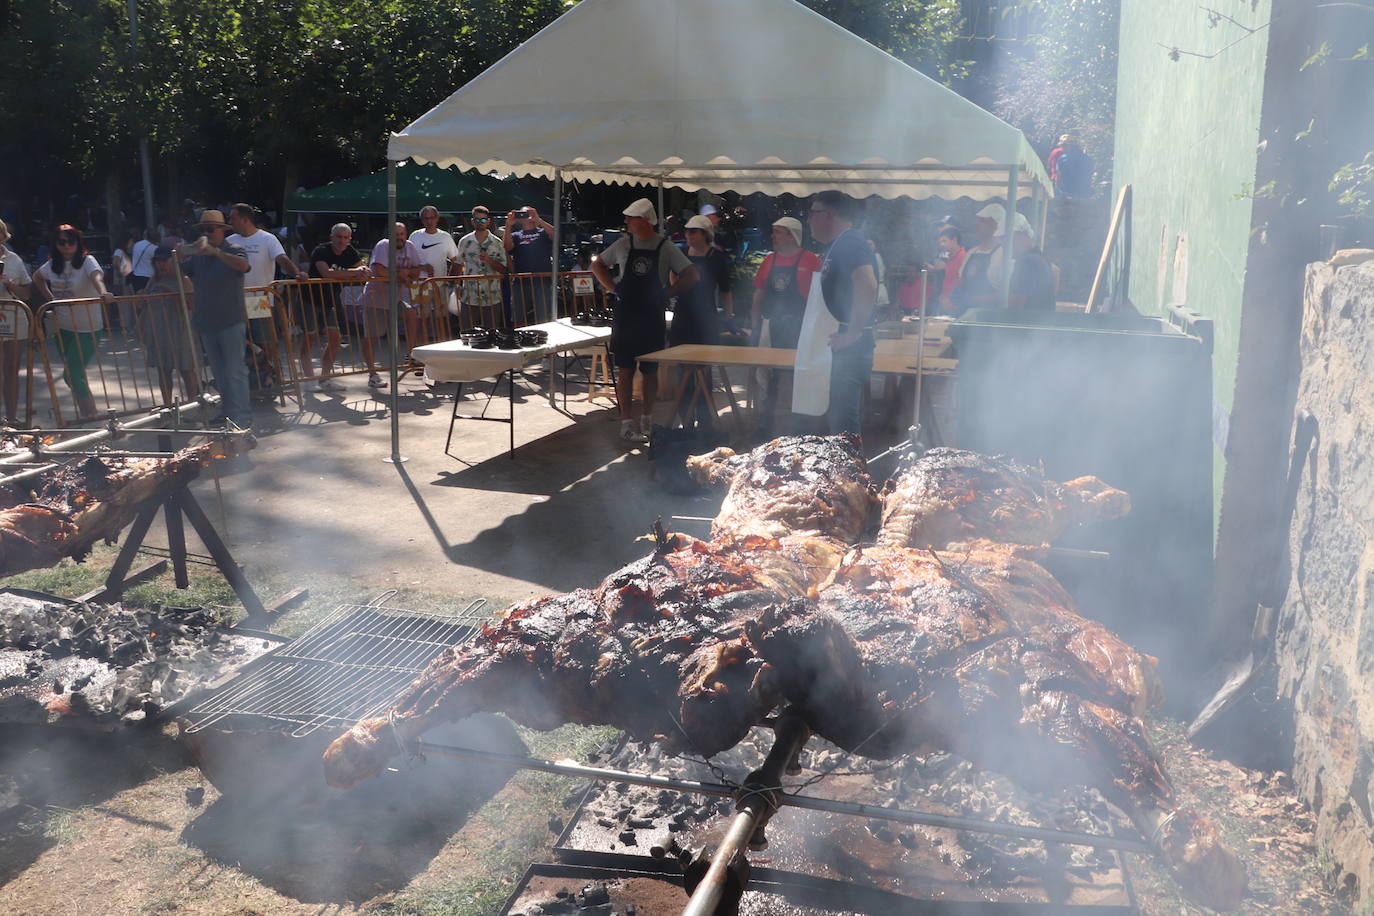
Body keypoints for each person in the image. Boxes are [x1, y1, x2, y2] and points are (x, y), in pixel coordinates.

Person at [590, 198, 698, 443]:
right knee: (625, 371)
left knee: (650, 371)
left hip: (651, 315)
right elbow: (597, 265)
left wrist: (668, 293)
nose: (626, 221)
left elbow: (692, 274)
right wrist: (613, 289)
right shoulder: (622, 244)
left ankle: (647, 420)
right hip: (626, 314)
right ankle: (626, 423)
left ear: (646, 220)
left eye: (631, 217)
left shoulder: (665, 247)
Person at [806, 191, 878, 438]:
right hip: (840, 349)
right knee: (838, 423)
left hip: (849, 351)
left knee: (843, 428)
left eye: (813, 213)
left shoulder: (850, 242)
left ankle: (852, 475)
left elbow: (867, 284)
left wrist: (853, 333)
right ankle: (847, 472)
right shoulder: (840, 245)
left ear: (829, 214)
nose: (809, 220)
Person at [32, 225, 113, 421]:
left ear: (78, 242)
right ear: (56, 244)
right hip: (63, 328)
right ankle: (87, 414)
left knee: (72, 375)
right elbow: (37, 277)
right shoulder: (52, 264)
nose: (67, 245)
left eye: (71, 241)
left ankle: (91, 415)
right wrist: (50, 298)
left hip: (89, 328)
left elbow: (97, 277)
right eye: (62, 242)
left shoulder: (87, 261)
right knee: (76, 375)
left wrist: (103, 292)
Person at [181, 209, 251, 429]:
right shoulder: (197, 256)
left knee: (234, 371)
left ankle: (242, 416)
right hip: (207, 322)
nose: (206, 233)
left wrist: (215, 252)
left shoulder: (235, 249)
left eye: (210, 229)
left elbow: (244, 267)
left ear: (222, 231)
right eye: (203, 230)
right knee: (220, 373)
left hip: (230, 321)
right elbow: (178, 271)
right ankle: (228, 412)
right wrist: (172, 254)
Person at [749, 216, 821, 430]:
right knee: (770, 375)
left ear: (792, 235)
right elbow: (758, 295)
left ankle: (801, 423)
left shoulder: (811, 260)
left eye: (778, 232)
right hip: (772, 327)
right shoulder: (769, 260)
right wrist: (755, 327)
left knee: (800, 374)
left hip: (801, 328)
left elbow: (820, 298)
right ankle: (768, 420)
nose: (773, 236)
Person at [228, 203, 306, 394]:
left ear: (245, 220)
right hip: (234, 302)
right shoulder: (228, 241)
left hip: (260, 299)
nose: (230, 222)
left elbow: (282, 259)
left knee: (264, 341)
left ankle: (271, 377)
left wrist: (296, 273)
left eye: (233, 218)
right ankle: (248, 380)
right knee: (238, 342)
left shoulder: (267, 238)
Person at [306, 223, 370, 390]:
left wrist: (362, 271)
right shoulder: (321, 251)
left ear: (349, 239)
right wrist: (353, 272)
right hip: (309, 299)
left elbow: (364, 271)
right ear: (331, 237)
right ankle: (307, 379)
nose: (342, 241)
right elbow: (326, 273)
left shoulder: (350, 251)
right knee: (309, 339)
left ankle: (324, 378)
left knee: (335, 340)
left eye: (345, 238)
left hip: (331, 300)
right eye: (338, 237)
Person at [138, 246, 201, 406]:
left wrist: (172, 295)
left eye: (164, 261)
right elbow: (142, 303)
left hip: (181, 329)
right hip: (159, 329)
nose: (161, 265)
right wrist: (142, 297)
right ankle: (167, 405)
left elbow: (192, 305)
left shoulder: (183, 279)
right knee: (163, 369)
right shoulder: (154, 280)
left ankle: (192, 403)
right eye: (157, 261)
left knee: (186, 369)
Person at [365, 222, 425, 388]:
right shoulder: (383, 246)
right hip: (377, 297)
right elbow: (379, 270)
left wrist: (404, 274)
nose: (399, 237)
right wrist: (401, 275)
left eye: (401, 234)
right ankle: (372, 374)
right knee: (373, 337)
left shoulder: (410, 246)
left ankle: (411, 354)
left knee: (411, 314)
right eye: (396, 234)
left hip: (397, 297)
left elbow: (417, 269)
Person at [0, 219, 33, 424]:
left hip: (14, 317)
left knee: (12, 368)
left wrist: (10, 284)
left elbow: (27, 293)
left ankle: (12, 418)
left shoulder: (14, 259)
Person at [410, 205, 460, 335]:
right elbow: (408, 260)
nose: (429, 221)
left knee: (442, 318)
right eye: (426, 218)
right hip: (419, 285)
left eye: (432, 218)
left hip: (440, 284)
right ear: (422, 220)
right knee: (421, 318)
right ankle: (420, 348)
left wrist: (450, 280)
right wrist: (421, 267)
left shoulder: (445, 237)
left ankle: (442, 346)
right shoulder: (415, 236)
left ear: (437, 218)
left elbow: (456, 260)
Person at [455, 205, 508, 325]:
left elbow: (503, 269)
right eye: (477, 220)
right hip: (469, 296)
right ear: (472, 221)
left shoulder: (497, 242)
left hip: (492, 297)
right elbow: (458, 265)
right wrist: (456, 286)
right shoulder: (464, 241)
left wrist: (489, 260)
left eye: (483, 220)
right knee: (468, 333)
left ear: (488, 221)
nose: (480, 222)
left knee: (492, 334)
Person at [953, 204, 1011, 312]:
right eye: (978, 220)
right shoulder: (971, 252)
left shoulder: (1004, 254)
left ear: (997, 225)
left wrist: (973, 300)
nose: (977, 225)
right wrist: (958, 293)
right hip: (964, 315)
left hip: (988, 319)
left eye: (982, 221)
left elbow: (1006, 295)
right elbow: (962, 282)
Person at [503, 205, 554, 324]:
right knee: (518, 317)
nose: (525, 216)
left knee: (544, 316)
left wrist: (538, 219)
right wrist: (508, 225)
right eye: (522, 214)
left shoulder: (542, 232)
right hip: (521, 281)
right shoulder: (516, 235)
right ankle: (519, 339)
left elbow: (555, 235)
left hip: (542, 280)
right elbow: (507, 247)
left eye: (528, 213)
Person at [1007, 213, 1056, 310]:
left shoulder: (1026, 262)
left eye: (1006, 239)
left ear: (1020, 235)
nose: (1004, 245)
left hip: (1028, 321)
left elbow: (1016, 305)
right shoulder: (1040, 257)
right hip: (1041, 321)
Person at [931, 225, 967, 314]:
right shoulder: (950, 257)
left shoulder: (963, 257)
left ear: (954, 240)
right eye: (940, 242)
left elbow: (962, 282)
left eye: (944, 241)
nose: (941, 244)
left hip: (954, 306)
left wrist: (951, 300)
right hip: (945, 304)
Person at [129, 227, 158, 292]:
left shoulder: (137, 244)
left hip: (136, 275)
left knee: (138, 299)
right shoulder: (155, 248)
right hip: (149, 277)